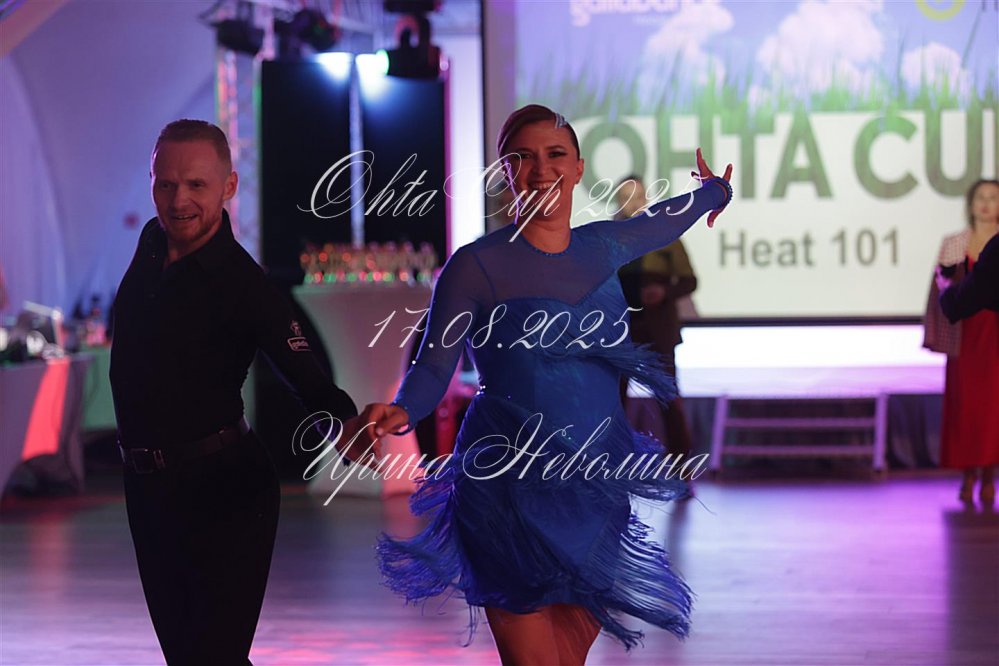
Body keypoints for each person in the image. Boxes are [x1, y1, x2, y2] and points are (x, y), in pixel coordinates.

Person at [364, 105, 732, 664]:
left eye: (555, 154)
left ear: (578, 168)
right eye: (522, 157)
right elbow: (434, 367)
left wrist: (714, 194)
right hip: (507, 488)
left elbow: (668, 217)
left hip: (593, 491)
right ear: (504, 172)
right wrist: (401, 410)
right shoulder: (475, 266)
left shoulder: (605, 246)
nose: (541, 169)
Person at [110, 119, 370, 664]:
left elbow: (302, 369)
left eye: (196, 185)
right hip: (148, 490)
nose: (178, 200)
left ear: (229, 186)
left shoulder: (242, 281)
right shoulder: (151, 242)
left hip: (224, 490)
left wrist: (343, 421)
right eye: (166, 184)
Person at [923, 178, 999, 505]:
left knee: (994, 409)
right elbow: (942, 292)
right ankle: (968, 475)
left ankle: (990, 476)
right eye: (980, 197)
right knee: (966, 407)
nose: (986, 204)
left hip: (993, 334)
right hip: (965, 335)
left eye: (993, 197)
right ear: (970, 204)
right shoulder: (955, 243)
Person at [616, 175, 697, 461]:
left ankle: (681, 466)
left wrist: (663, 292)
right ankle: (612, 466)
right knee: (614, 400)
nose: (632, 204)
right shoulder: (611, 237)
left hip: (658, 328)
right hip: (621, 330)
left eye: (637, 197)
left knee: (668, 399)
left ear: (647, 199)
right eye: (625, 198)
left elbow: (689, 280)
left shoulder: (665, 235)